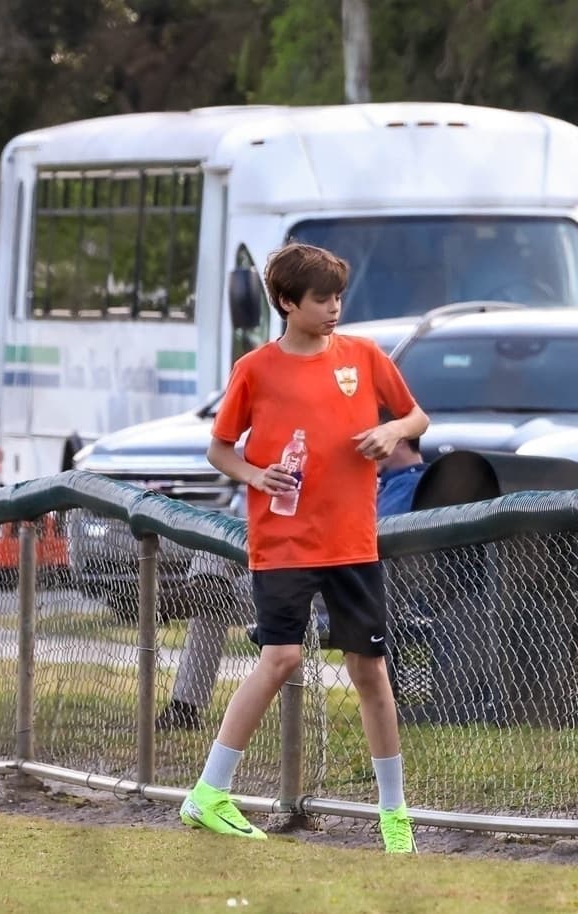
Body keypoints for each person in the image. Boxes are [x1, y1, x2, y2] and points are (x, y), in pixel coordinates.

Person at [178, 242, 429, 854]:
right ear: (288, 303)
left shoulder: (364, 356)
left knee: (370, 671)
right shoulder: (255, 369)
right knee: (281, 658)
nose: (335, 308)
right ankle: (208, 793)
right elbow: (219, 450)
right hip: (284, 543)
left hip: (352, 542)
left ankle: (394, 814)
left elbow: (416, 418)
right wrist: (255, 474)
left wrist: (391, 430)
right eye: (322, 299)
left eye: (339, 297)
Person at [155, 438, 429, 732]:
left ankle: (186, 693)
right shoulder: (372, 479)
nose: (363, 451)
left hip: (337, 588)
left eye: (371, 442)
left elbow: (369, 544)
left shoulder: (412, 484)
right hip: (301, 561)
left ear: (398, 439)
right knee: (211, 557)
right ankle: (205, 591)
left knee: (213, 603)